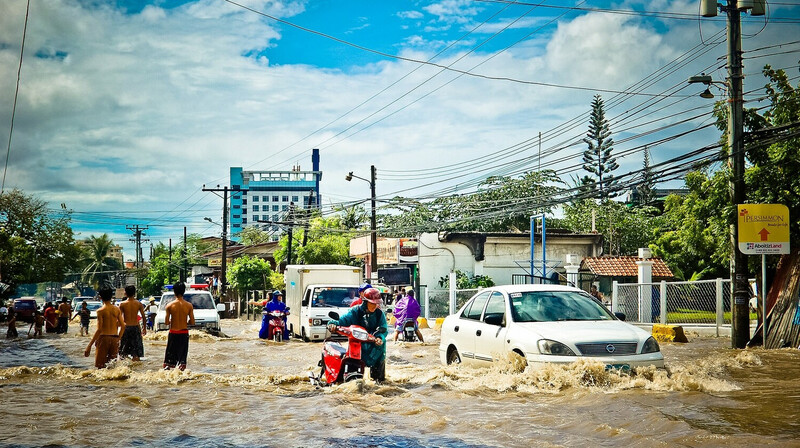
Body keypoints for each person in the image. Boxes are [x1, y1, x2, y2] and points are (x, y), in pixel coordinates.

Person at [327, 288, 387, 383]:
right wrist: (333, 324)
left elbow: (383, 328)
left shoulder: (380, 314)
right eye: (372, 303)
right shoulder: (355, 311)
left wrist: (380, 338)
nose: (375, 306)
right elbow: (342, 321)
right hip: (358, 344)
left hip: (375, 346)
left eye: (377, 304)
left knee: (380, 381)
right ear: (365, 302)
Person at [84, 287, 125, 368]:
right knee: (112, 366)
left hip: (103, 338)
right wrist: (118, 339)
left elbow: (99, 329)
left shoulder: (100, 311)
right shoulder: (116, 309)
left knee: (100, 366)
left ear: (100, 297)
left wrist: (89, 345)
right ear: (111, 297)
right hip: (114, 338)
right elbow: (123, 326)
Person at [163, 282, 195, 371]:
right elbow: (192, 322)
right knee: (182, 360)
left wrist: (172, 321)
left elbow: (166, 322)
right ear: (184, 291)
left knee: (169, 361)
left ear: (174, 292)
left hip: (173, 333)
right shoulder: (189, 305)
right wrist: (185, 322)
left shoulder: (169, 306)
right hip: (183, 333)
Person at [118, 285, 147, 361]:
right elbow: (144, 317)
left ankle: (123, 369)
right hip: (135, 328)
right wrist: (144, 328)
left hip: (126, 328)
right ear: (134, 293)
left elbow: (119, 318)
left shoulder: (122, 304)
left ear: (125, 293)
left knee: (123, 353)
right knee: (136, 354)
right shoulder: (138, 304)